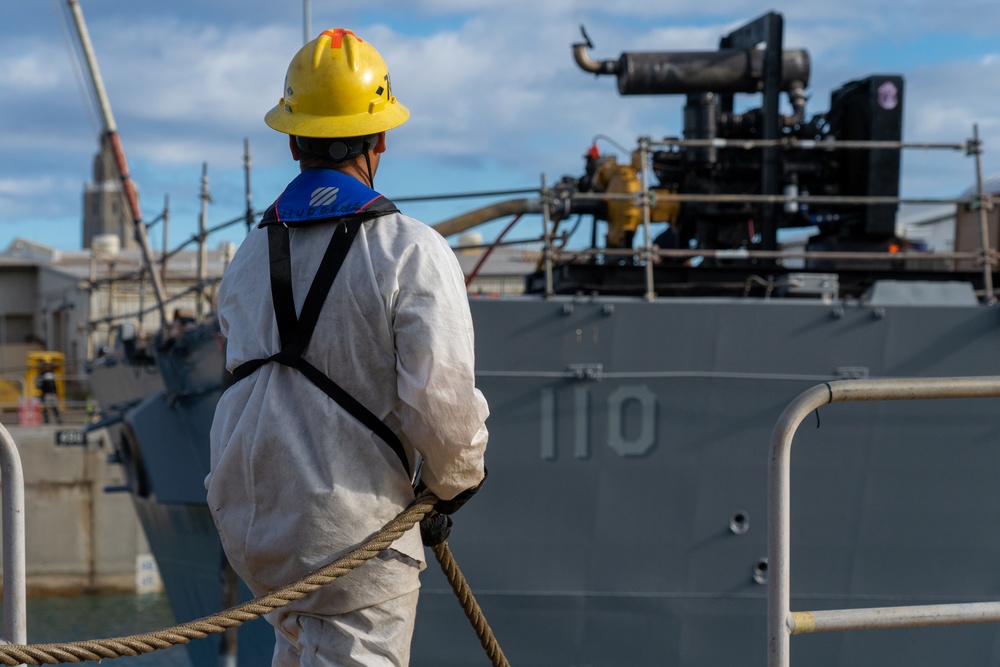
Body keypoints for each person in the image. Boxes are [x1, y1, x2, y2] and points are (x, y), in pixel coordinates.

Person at [205, 28, 489, 667]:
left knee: (296, 644)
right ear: (380, 139)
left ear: (293, 139)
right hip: (352, 534)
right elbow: (442, 407)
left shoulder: (248, 257)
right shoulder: (410, 251)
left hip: (258, 530)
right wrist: (452, 485)